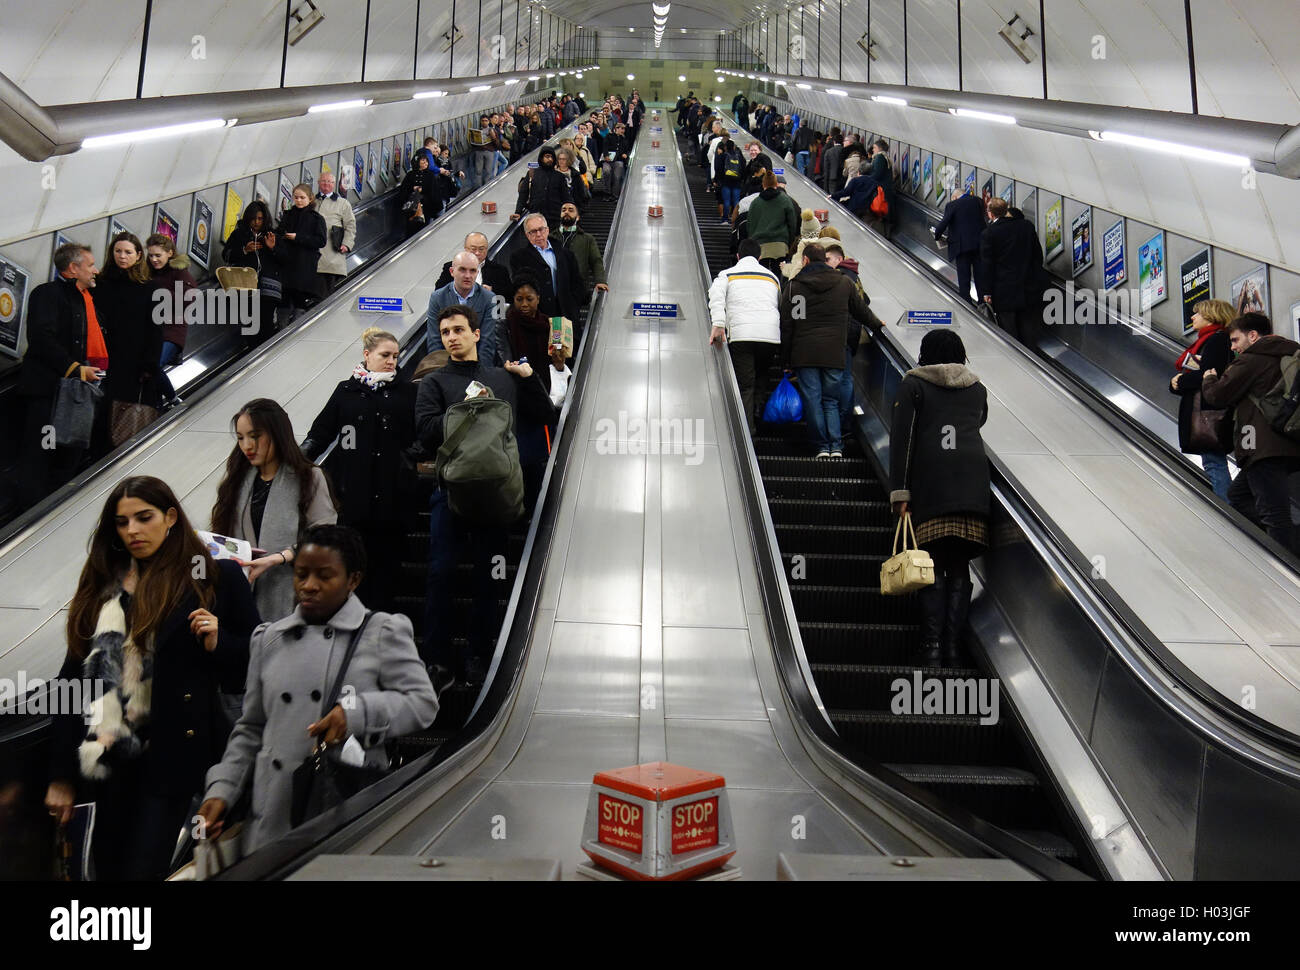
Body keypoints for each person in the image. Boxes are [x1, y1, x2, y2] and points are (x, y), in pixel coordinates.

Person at [46, 475, 259, 880]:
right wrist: (61, 775)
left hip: (178, 764)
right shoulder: (103, 586)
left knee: (144, 870)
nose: (132, 531)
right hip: (109, 764)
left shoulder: (216, 579)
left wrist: (221, 643)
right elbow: (72, 684)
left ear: (171, 517)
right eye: (123, 523)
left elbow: (251, 671)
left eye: (144, 518)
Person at [198, 524, 436, 854]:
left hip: (345, 806)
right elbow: (251, 728)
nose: (309, 586)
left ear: (353, 580)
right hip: (271, 816)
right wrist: (221, 789)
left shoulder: (382, 631)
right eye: (301, 574)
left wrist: (356, 714)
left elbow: (423, 704)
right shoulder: (269, 638)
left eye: (325, 576)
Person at [415, 306, 555, 690]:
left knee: (489, 577)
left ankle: (479, 656)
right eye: (445, 332)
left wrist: (528, 379)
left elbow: (544, 415)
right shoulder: (434, 382)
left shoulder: (503, 378)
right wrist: (468, 411)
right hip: (450, 495)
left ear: (477, 334)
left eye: (459, 330)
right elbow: (425, 433)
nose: (451, 337)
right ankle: (437, 661)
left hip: (496, 498)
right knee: (441, 573)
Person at [889, 329, 991, 667]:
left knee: (929, 564)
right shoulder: (977, 389)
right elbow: (980, 420)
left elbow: (903, 441)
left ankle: (931, 647)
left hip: (932, 483)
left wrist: (900, 493)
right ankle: (952, 648)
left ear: (925, 353)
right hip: (972, 484)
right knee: (959, 564)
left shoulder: (914, 386)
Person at [301, 328, 417, 613]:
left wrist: (408, 458)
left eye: (395, 356)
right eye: (385, 355)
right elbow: (321, 432)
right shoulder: (347, 391)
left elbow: (421, 434)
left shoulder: (407, 391)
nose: (392, 361)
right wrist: (297, 460)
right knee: (353, 565)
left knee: (387, 569)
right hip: (354, 496)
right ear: (367, 355)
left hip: (394, 495)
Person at [210, 398, 338, 622]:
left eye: (255, 436)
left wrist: (279, 557)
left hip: (293, 595)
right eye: (241, 438)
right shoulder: (238, 481)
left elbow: (325, 535)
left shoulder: (308, 477)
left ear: (277, 433)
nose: (247, 446)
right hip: (243, 595)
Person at [13, 243, 105, 507]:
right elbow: (41, 338)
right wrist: (75, 368)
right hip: (48, 395)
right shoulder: (48, 294)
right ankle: (31, 514)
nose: (95, 270)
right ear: (73, 268)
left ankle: (57, 509)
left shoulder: (85, 299)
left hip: (75, 395)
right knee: (42, 453)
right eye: (90, 265)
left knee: (70, 454)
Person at [1201, 312, 1300, 555]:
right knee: (1238, 496)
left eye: (1235, 340)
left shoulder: (1250, 360)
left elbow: (1217, 395)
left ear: (1252, 336)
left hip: (1261, 446)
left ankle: (1288, 569)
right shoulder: (1288, 354)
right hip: (1287, 441)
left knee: (1273, 514)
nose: (1234, 347)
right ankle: (1288, 543)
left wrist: (1209, 379)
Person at [780, 244, 882, 458]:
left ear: (805, 261)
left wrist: (786, 359)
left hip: (804, 353)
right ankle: (836, 445)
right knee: (831, 400)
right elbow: (862, 311)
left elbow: (790, 325)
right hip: (834, 352)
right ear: (825, 260)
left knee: (812, 399)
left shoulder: (795, 287)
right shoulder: (844, 283)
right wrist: (877, 324)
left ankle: (821, 446)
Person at [709, 239, 781, 434]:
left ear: (738, 256)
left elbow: (715, 297)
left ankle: (748, 431)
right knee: (763, 373)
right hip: (770, 336)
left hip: (742, 336)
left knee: (745, 384)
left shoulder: (727, 274)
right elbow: (780, 304)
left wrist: (719, 324)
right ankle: (758, 408)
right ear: (759, 257)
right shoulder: (773, 277)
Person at [95, 232, 160, 439]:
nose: (122, 256)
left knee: (124, 414)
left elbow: (155, 329)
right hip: (103, 358)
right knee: (102, 411)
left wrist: (149, 364)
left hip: (133, 363)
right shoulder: (100, 284)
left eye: (128, 252)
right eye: (118, 251)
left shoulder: (149, 288)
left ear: (138, 255)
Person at [1169, 299, 1236, 499]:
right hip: (1207, 409)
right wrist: (1178, 381)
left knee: (1214, 462)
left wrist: (1180, 381)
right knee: (1213, 461)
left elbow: (1209, 373)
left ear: (1211, 315)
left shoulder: (1217, 340)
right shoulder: (1210, 340)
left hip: (1209, 412)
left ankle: (1229, 513)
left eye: (1197, 313)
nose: (1192, 317)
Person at [979, 197, 1043, 343]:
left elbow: (987, 266)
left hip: (1003, 290)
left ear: (991, 214)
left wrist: (986, 292)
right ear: (1006, 209)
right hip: (1028, 287)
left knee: (1008, 330)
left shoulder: (989, 234)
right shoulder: (1027, 226)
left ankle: (1015, 359)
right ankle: (1031, 359)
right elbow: (1038, 256)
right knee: (1028, 328)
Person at [144, 234, 194, 407]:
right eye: (151, 255)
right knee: (148, 369)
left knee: (153, 364)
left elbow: (189, 298)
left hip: (172, 331)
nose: (154, 259)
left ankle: (173, 399)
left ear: (170, 253)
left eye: (158, 255)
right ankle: (156, 406)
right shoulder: (146, 273)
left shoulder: (179, 272)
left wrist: (158, 294)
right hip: (151, 330)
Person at [427, 251, 503, 364]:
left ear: (477, 273)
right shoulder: (437, 297)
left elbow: (488, 341)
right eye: (462, 270)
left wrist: (480, 373)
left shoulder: (489, 298)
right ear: (452, 272)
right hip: (447, 366)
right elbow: (434, 340)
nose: (468, 276)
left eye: (472, 271)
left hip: (477, 365)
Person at [221, 200, 281, 342]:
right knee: (249, 322)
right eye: (253, 219)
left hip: (268, 287)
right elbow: (226, 255)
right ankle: (253, 352)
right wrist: (244, 250)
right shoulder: (239, 235)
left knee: (265, 321)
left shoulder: (272, 235)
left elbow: (284, 259)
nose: (256, 222)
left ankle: (264, 351)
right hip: (246, 287)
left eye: (260, 219)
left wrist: (273, 248)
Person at [510, 214, 584, 326]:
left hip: (564, 317)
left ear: (547, 230)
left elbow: (577, 283)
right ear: (527, 235)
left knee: (560, 344)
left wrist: (573, 305)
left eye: (541, 229)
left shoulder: (566, 254)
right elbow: (519, 287)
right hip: (537, 319)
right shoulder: (519, 258)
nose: (538, 234)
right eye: (533, 231)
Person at [273, 184, 328, 319]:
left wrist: (298, 237)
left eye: (302, 198)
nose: (298, 201)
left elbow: (321, 241)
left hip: (304, 265)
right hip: (286, 263)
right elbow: (279, 233)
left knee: (299, 299)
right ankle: (281, 330)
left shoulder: (317, 218)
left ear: (310, 199)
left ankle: (296, 329)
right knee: (284, 298)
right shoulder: (287, 215)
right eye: (296, 197)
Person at [933, 186, 987, 304]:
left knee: (964, 277)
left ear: (954, 197)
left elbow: (944, 223)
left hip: (961, 247)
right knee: (979, 276)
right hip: (979, 245)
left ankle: (966, 303)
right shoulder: (978, 201)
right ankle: (982, 303)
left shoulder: (952, 205)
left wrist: (936, 235)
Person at [555, 202, 609, 306]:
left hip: (577, 292)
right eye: (563, 210)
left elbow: (596, 261)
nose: (566, 212)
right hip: (555, 291)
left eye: (571, 210)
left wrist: (600, 280)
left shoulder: (587, 239)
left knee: (573, 321)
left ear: (578, 217)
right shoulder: (550, 237)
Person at [747, 172, 801, 273]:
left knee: (762, 276)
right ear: (776, 184)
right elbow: (792, 224)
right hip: (780, 245)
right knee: (779, 275)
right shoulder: (785, 200)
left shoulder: (755, 203)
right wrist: (790, 242)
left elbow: (750, 225)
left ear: (763, 185)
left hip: (761, 246)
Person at [313, 171, 356, 295]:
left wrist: (347, 244)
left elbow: (351, 226)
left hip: (331, 258)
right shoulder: (311, 201)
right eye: (323, 181)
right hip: (311, 257)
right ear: (318, 183)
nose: (326, 184)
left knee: (324, 294)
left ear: (334, 184)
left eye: (330, 181)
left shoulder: (343, 203)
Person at [511, 145, 573, 227]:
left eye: (552, 157)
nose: (550, 159)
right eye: (547, 156)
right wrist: (518, 212)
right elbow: (523, 194)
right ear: (541, 158)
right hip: (536, 217)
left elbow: (566, 197)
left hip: (555, 219)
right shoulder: (532, 174)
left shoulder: (560, 176)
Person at [435, 232, 512, 295]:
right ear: (465, 248)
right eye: (473, 249)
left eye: (481, 249)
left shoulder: (500, 270)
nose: (477, 253)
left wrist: (491, 290)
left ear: (487, 249)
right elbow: (439, 291)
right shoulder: (452, 266)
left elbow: (509, 296)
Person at [395, 149, 442, 239]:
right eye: (423, 160)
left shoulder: (430, 175)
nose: (425, 163)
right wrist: (412, 189)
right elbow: (403, 189)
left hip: (426, 207)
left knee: (423, 228)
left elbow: (434, 191)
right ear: (417, 162)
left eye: (426, 161)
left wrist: (423, 190)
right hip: (411, 208)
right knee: (411, 229)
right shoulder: (410, 175)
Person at [715, 137, 746, 224]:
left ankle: (725, 219)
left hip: (726, 182)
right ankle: (735, 220)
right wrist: (741, 179)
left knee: (726, 201)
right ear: (734, 147)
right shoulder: (739, 157)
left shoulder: (723, 156)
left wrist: (718, 180)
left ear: (725, 147)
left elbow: (719, 169)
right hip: (737, 182)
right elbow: (743, 169)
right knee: (736, 201)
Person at [821, 128, 844, 194]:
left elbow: (826, 167)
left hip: (832, 177)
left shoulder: (829, 151)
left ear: (834, 142)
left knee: (832, 196)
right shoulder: (845, 150)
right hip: (842, 177)